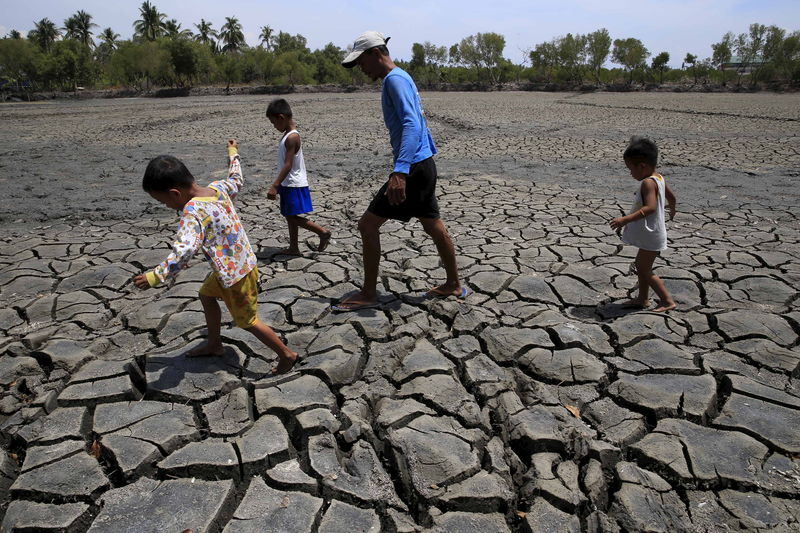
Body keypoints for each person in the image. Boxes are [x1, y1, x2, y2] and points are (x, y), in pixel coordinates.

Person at [133, 140, 297, 374]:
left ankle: (286, 354)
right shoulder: (218, 188)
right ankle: (214, 343)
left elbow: (184, 251)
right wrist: (233, 153)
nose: (167, 206)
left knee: (248, 321)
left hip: (235, 276)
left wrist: (155, 277)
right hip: (240, 265)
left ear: (174, 193)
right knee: (206, 295)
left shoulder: (193, 212)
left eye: (164, 201)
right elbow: (236, 179)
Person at [333, 30, 464, 311]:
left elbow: (411, 124)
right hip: (424, 163)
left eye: (362, 62)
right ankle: (453, 284)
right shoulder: (401, 77)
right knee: (432, 224)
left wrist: (400, 171)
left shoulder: (394, 80)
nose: (361, 69)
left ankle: (369, 293)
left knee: (367, 225)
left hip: (414, 167)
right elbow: (418, 122)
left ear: (375, 53)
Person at [609, 136, 677, 313]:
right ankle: (643, 298)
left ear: (642, 166)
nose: (631, 173)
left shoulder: (648, 182)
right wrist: (673, 207)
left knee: (645, 269)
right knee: (641, 266)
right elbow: (672, 197)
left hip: (651, 234)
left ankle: (667, 300)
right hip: (654, 232)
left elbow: (650, 208)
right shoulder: (659, 178)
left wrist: (625, 219)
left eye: (631, 169)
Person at [265, 98, 331, 256]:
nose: (274, 127)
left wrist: (275, 185)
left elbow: (288, 164)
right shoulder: (288, 134)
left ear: (281, 117)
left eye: (274, 123)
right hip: (289, 183)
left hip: (293, 183)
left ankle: (322, 232)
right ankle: (294, 247)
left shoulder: (292, 137)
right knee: (290, 216)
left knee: (290, 216)